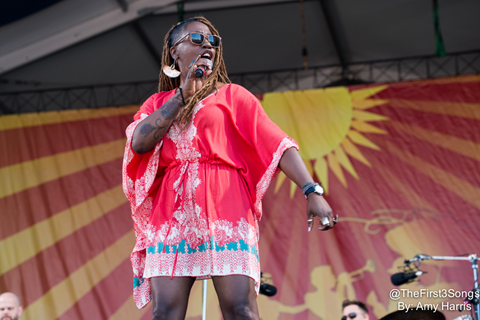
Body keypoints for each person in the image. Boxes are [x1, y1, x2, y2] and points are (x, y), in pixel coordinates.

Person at [122, 16, 336, 320]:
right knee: (165, 313)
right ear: (174, 51)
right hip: (171, 214)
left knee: (241, 310)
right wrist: (183, 93)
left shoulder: (233, 96)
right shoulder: (158, 102)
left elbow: (278, 143)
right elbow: (140, 143)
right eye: (197, 39)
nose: (207, 44)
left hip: (226, 207)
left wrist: (311, 189)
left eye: (213, 41)